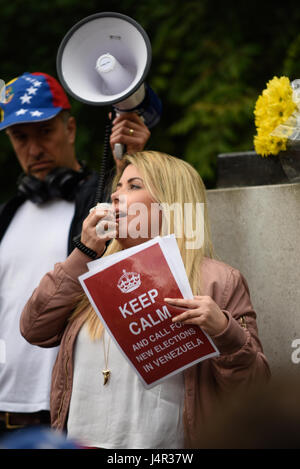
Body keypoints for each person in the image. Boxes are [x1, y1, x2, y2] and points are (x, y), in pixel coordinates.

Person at [20, 151, 270, 449]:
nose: (115, 195)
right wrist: (82, 253)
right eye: (118, 186)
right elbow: (33, 328)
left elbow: (254, 392)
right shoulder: (87, 270)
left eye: (133, 186)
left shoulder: (219, 281)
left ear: (171, 204)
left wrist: (225, 332)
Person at [0, 72, 150, 435]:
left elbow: (142, 255)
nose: (34, 149)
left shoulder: (98, 201)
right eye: (20, 137)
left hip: (64, 411)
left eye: (45, 132)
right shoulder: (7, 213)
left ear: (70, 129)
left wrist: (134, 162)